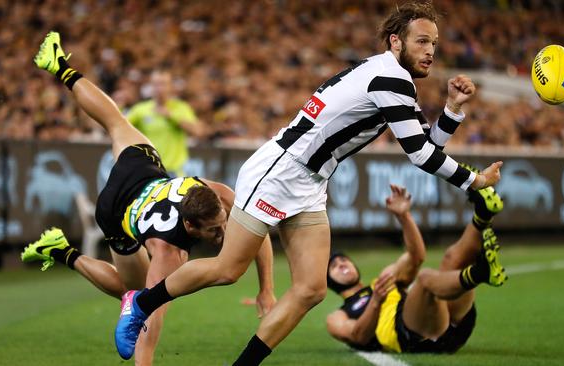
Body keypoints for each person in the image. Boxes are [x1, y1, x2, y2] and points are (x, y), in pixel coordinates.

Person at [114, 2, 504, 364]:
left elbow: (426, 145)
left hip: (310, 182)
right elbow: (421, 155)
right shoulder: (391, 80)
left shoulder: (393, 77)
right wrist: (474, 181)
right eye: (422, 41)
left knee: (312, 288)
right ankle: (142, 303)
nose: (430, 51)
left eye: (434, 43)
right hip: (280, 171)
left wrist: (451, 110)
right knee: (226, 270)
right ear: (395, 41)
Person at [23, 31, 275, 366]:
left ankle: (59, 66)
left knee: (116, 122)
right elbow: (149, 316)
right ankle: (62, 250)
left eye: (222, 225)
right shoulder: (168, 251)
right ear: (189, 226)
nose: (222, 235)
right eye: (213, 231)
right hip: (115, 210)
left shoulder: (220, 194)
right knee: (134, 293)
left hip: (144, 171)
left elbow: (257, 229)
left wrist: (266, 289)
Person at [326, 181, 506, 354]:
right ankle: (480, 271)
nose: (341, 264)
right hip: (412, 337)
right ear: (327, 279)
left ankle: (483, 214)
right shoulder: (338, 316)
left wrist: (404, 217)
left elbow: (416, 257)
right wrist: (375, 302)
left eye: (343, 259)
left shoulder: (382, 280)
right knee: (425, 279)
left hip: (449, 323)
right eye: (333, 266)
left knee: (451, 258)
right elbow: (358, 337)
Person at [126, 70, 207, 176]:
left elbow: (198, 131)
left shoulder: (181, 108)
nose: (159, 89)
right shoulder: (140, 110)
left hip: (175, 172)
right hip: (149, 170)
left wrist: (172, 117)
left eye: (163, 84)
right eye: (156, 84)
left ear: (171, 87)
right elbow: (120, 126)